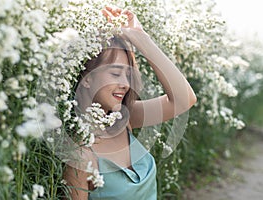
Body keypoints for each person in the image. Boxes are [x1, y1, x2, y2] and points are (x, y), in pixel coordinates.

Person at [64, 6, 197, 200]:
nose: (125, 84)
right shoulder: (80, 156)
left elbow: (185, 99)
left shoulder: (125, 119)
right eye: (115, 73)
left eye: (128, 75)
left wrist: (141, 38)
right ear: (87, 78)